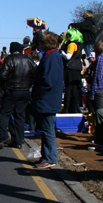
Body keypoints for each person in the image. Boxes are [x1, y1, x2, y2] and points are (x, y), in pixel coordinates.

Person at [30, 31, 64, 169]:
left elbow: (48, 80)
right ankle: (46, 156)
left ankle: (50, 158)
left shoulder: (52, 57)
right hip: (46, 99)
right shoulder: (50, 56)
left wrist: (39, 91)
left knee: (48, 130)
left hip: (48, 99)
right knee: (45, 129)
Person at [0, 41, 36, 150]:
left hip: (11, 90)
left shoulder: (9, 59)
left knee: (4, 114)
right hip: (25, 91)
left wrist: (4, 87)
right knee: (20, 116)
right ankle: (18, 140)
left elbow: (3, 75)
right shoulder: (29, 60)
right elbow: (35, 74)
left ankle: (3, 136)